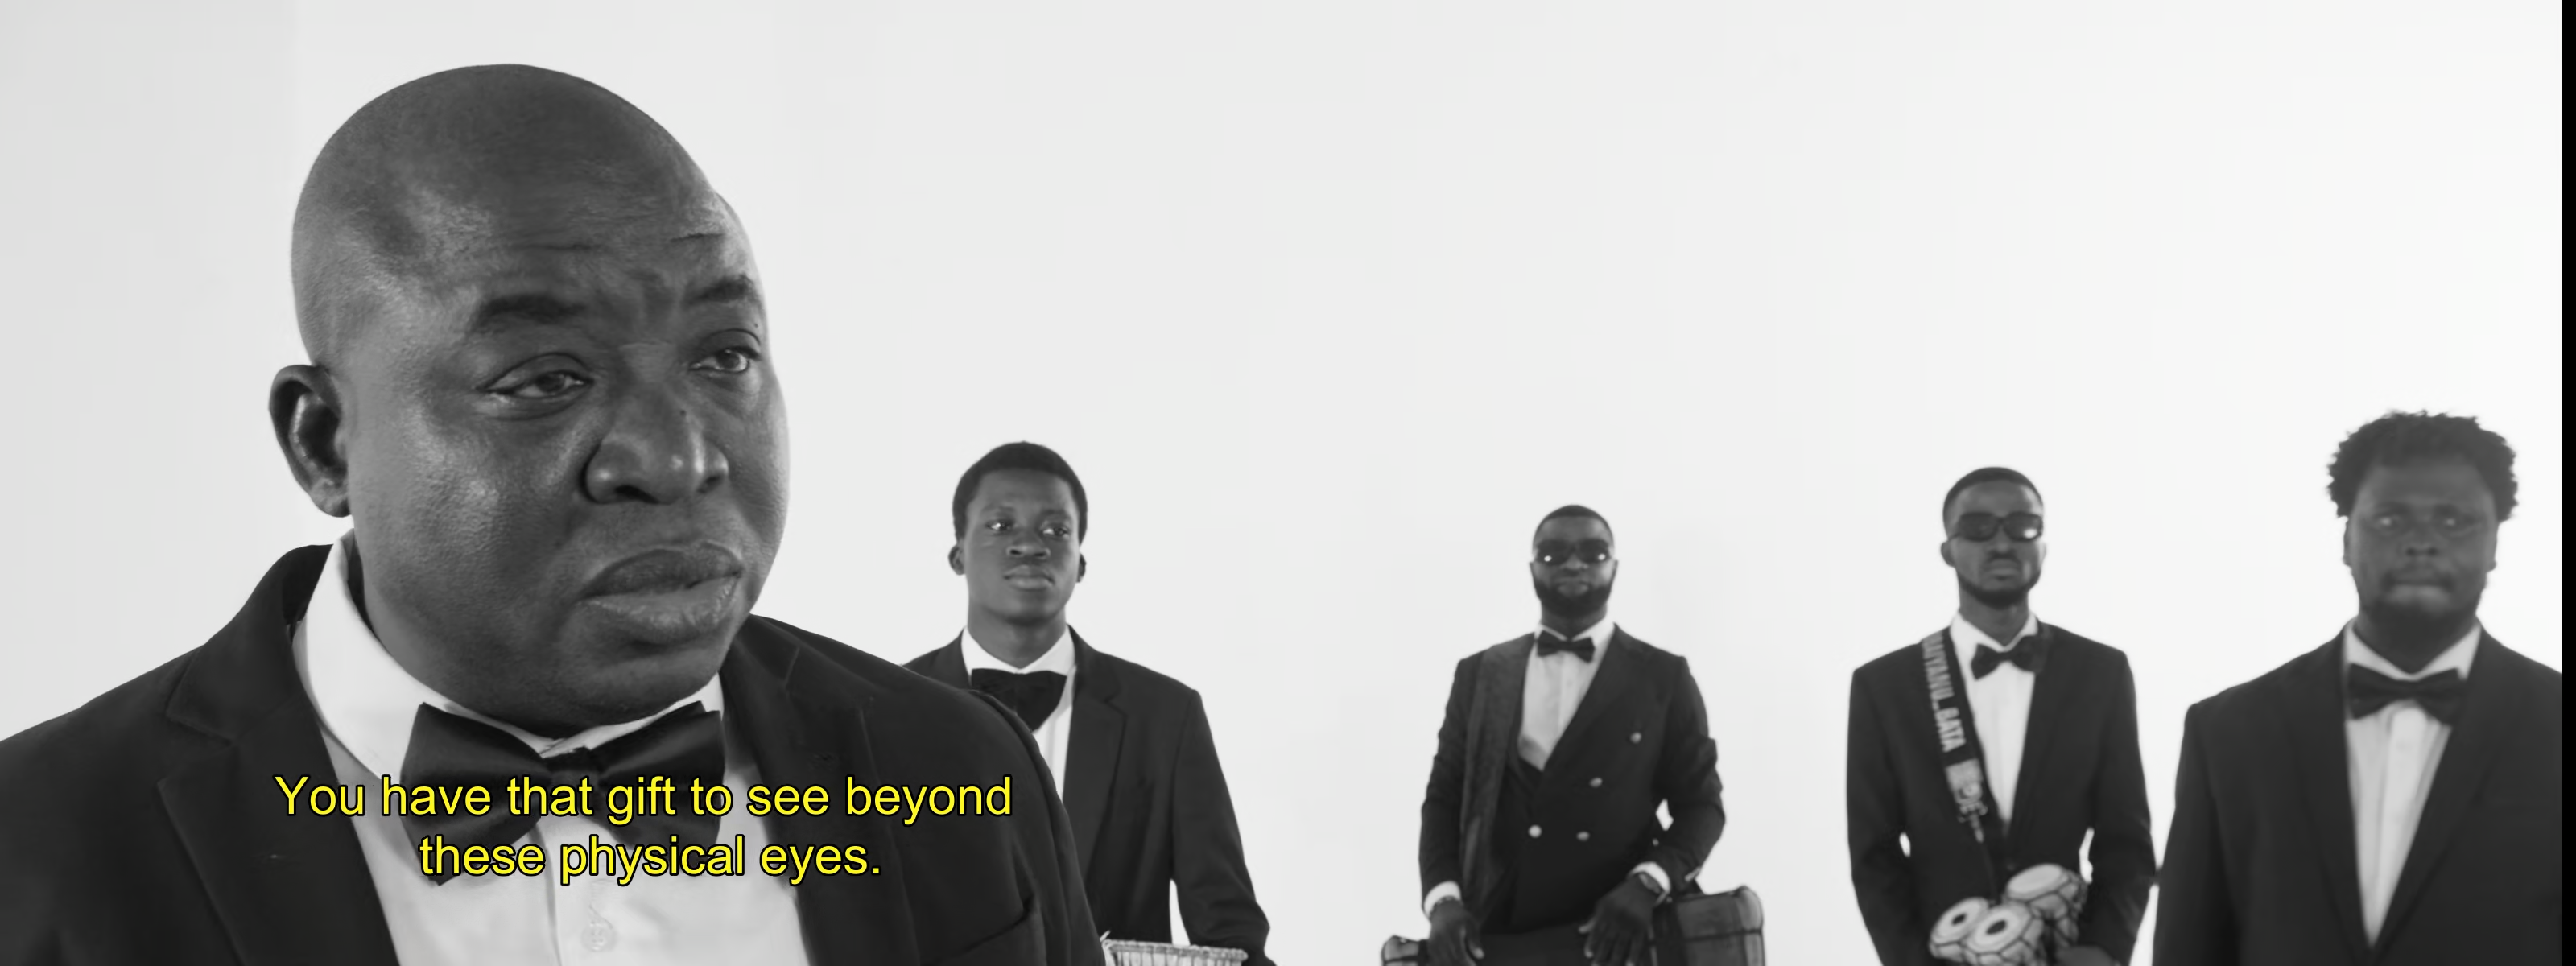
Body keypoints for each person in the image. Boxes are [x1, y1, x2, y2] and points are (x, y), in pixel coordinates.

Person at [0, 65, 1100, 965]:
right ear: (324, 444)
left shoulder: (962, 772)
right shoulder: (36, 850)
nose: (679, 455)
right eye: (541, 380)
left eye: (725, 356)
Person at [2155, 412, 2560, 965]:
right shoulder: (2228, 730)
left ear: (2494, 546)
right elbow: (2190, 947)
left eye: (2454, 520)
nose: (2422, 542)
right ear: (2347, 538)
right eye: (2391, 520)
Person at [907, 442, 1274, 964]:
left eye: (1056, 530)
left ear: (1080, 562)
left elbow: (1229, 931)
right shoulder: (885, 708)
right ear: (957, 554)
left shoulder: (1166, 717)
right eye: (1000, 526)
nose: (1030, 545)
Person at [1845, 468, 2155, 965]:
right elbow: (1873, 853)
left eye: (2022, 525)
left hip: (2069, 950)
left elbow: (2126, 841)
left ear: (2044, 546)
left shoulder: (2100, 672)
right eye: (1977, 527)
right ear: (1947, 549)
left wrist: (2104, 949)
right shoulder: (1884, 686)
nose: (2002, 542)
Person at [1416, 506, 1726, 966]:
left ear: (1614, 567)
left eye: (1593, 551)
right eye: (1553, 552)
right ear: (1532, 568)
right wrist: (1442, 900)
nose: (1573, 563)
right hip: (1501, 928)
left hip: (1618, 933)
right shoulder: (1481, 674)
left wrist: (1648, 883)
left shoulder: (1663, 676)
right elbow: (1444, 798)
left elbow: (1702, 806)